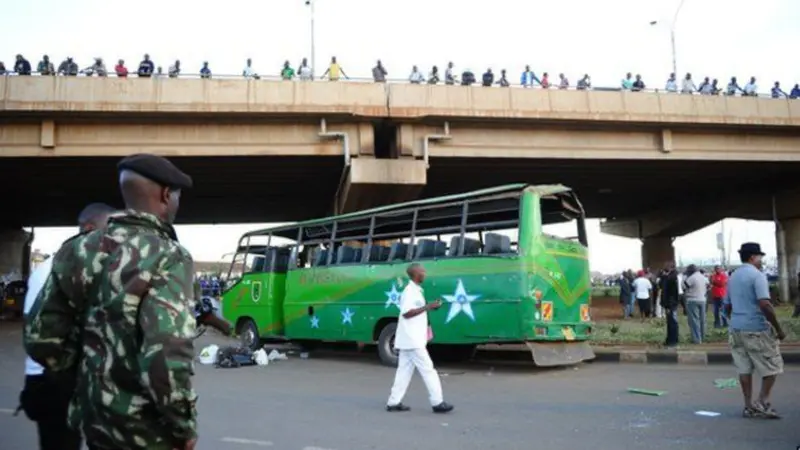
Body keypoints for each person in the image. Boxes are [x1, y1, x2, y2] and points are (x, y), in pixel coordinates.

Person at [25, 153, 198, 450]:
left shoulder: (76, 250)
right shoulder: (169, 255)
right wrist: (183, 425)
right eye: (178, 196)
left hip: (93, 418)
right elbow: (167, 353)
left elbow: (41, 338)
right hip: (147, 431)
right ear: (166, 195)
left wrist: (87, 375)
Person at [19, 203, 115, 450]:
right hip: (51, 378)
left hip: (64, 377)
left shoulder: (78, 264)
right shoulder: (58, 266)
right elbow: (38, 334)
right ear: (89, 228)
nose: (114, 237)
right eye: (109, 229)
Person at [724, 242, 785, 419]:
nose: (761, 261)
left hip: (736, 329)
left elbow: (727, 306)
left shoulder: (733, 276)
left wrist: (735, 319)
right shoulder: (757, 276)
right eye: (760, 257)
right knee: (772, 367)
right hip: (756, 328)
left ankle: (748, 406)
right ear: (753, 257)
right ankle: (762, 401)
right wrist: (778, 329)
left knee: (744, 369)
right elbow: (765, 304)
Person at [386, 263, 453, 414]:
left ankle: (393, 402)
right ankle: (437, 402)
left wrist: (430, 307)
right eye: (422, 271)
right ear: (416, 274)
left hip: (410, 339)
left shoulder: (416, 291)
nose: (425, 273)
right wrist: (428, 307)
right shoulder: (410, 292)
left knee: (403, 372)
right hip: (412, 340)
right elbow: (406, 313)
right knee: (428, 370)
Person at [684, 264, 709, 344]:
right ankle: (703, 337)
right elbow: (708, 286)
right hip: (703, 299)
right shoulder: (703, 277)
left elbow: (684, 287)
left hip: (692, 300)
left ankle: (697, 339)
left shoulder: (692, 277)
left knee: (694, 320)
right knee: (702, 319)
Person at [660, 262, 680, 347]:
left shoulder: (671, 278)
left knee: (672, 322)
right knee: (671, 322)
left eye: (666, 266)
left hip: (670, 303)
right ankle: (671, 340)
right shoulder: (672, 277)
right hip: (672, 303)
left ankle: (672, 341)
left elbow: (668, 293)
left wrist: (668, 305)